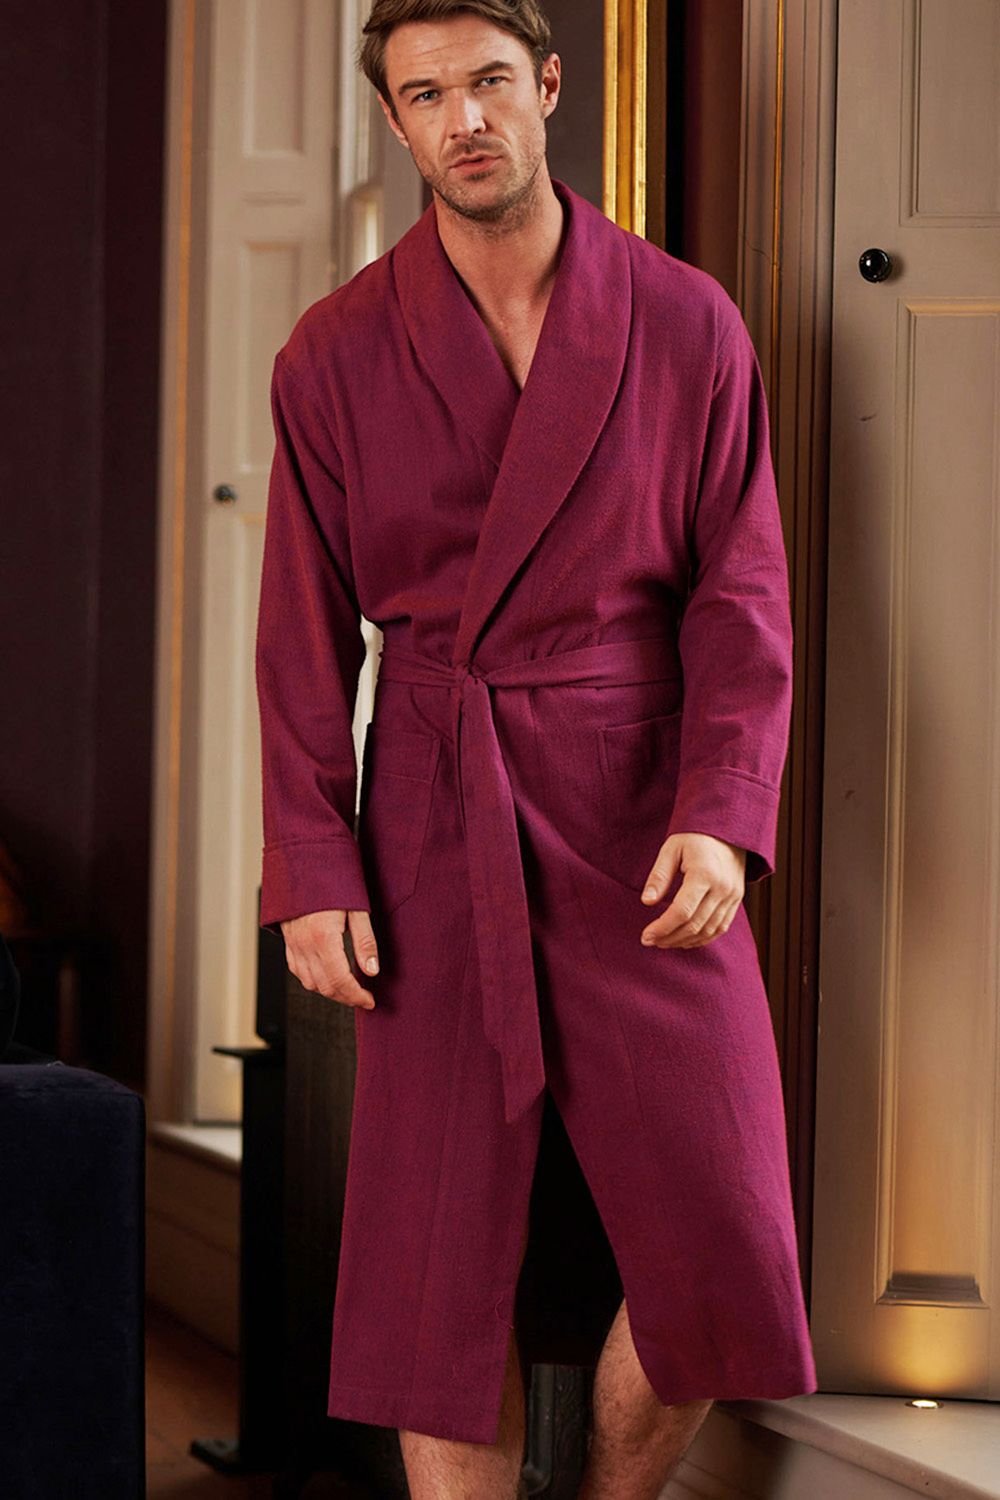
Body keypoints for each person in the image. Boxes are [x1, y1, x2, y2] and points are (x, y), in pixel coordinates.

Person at [254, 2, 818, 1496]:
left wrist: (724, 810)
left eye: (491, 81)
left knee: (726, 1240)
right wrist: (314, 866)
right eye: (427, 94)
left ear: (549, 86)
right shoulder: (334, 354)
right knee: (435, 1270)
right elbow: (300, 639)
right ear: (396, 120)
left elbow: (742, 594)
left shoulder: (687, 322)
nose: (466, 120)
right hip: (435, 814)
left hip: (644, 817)